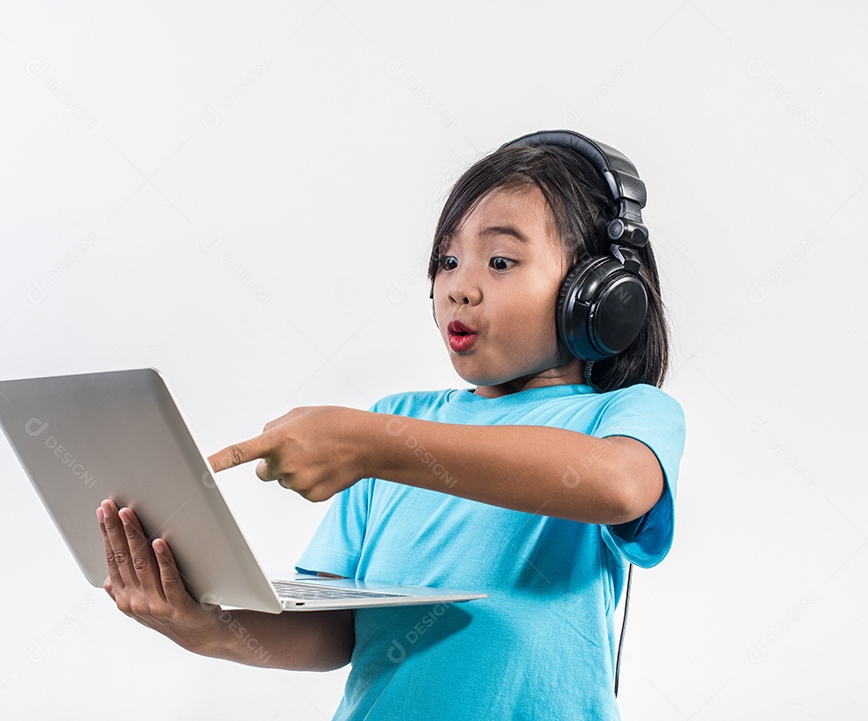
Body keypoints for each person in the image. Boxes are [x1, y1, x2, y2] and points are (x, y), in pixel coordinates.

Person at [96, 131, 685, 720]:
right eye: (447, 262)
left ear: (598, 293)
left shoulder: (622, 416)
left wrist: (373, 446)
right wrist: (209, 628)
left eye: (500, 262)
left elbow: (617, 485)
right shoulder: (394, 422)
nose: (460, 289)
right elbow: (336, 632)